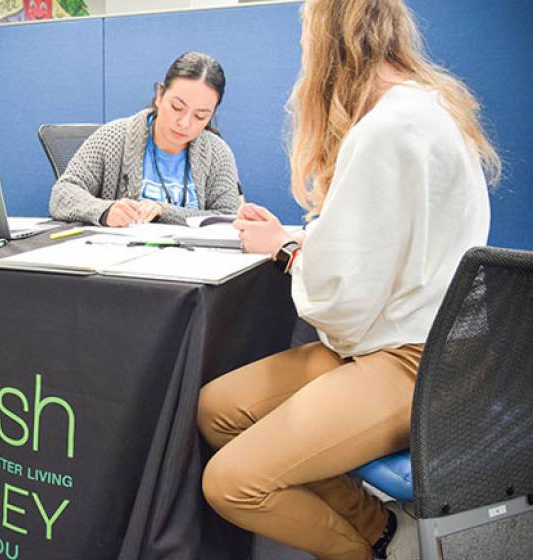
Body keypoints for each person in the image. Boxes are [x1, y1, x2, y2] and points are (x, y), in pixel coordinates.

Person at [197, 1, 499, 559]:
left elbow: (338, 301)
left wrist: (288, 249)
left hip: (413, 361)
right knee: (218, 407)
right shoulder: (429, 107)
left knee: (231, 482)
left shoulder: (383, 128)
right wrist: (313, 245)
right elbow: (391, 248)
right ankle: (381, 527)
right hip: (418, 337)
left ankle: (365, 552)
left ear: (328, 42)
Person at [49, 51, 241, 226]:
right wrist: (104, 211)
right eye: (177, 107)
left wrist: (163, 211)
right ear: (159, 95)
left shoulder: (217, 153)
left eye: (200, 116)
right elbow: (62, 193)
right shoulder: (114, 137)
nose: (184, 123)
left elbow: (227, 219)